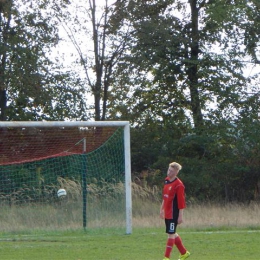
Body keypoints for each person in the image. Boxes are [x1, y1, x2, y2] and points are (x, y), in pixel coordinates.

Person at [160, 162, 190, 260]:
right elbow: (165, 197)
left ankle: (166, 257)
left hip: (174, 213)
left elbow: (181, 202)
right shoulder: (166, 181)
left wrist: (180, 216)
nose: (169, 172)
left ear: (176, 172)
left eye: (172, 171)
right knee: (172, 233)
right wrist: (161, 209)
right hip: (167, 212)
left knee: (171, 234)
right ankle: (184, 253)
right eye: (169, 170)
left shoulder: (179, 185)